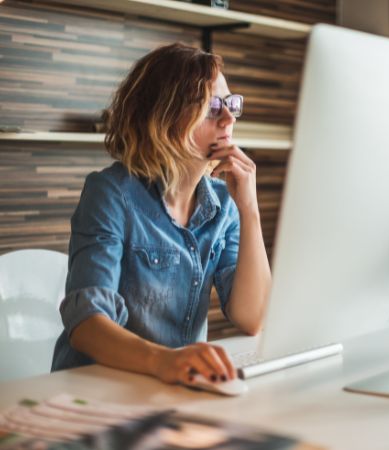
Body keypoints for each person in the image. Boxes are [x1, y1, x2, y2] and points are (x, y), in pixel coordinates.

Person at [51, 43, 272, 386]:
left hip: (172, 387)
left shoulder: (224, 204)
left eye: (231, 104)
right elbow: (86, 324)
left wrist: (250, 209)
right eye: (213, 106)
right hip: (97, 389)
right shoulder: (110, 193)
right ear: (164, 116)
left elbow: (252, 317)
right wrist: (164, 361)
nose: (229, 118)